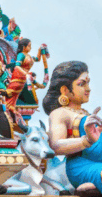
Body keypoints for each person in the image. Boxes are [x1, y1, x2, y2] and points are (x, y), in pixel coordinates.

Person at [44, 61, 102, 191]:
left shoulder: (85, 113)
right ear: (65, 90)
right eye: (82, 84)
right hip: (82, 166)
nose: (88, 89)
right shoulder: (60, 113)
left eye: (88, 83)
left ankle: (90, 189)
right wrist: (87, 140)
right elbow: (56, 146)